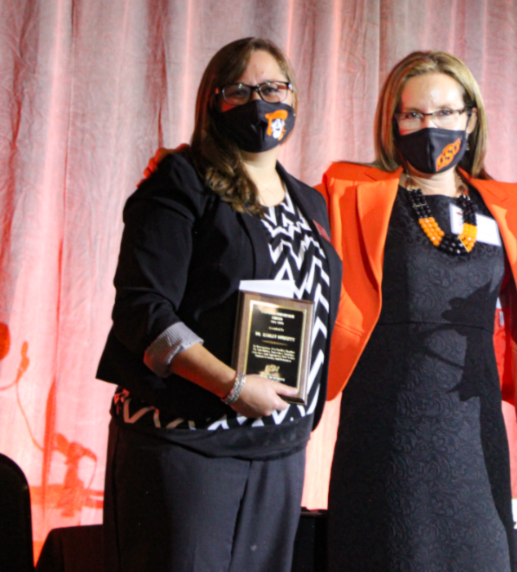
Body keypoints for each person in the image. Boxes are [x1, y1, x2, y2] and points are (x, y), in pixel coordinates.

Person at [96, 37, 341, 572]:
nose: (261, 101)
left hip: (279, 449)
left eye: (274, 86)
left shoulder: (310, 201)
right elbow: (144, 310)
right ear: (213, 103)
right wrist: (230, 385)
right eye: (241, 90)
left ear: (294, 98)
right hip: (188, 443)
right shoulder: (181, 181)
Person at [319, 51, 517, 571]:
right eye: (413, 114)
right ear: (392, 122)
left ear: (470, 117)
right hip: (388, 415)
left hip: (473, 419)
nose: (430, 126)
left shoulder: (510, 205)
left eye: (444, 113)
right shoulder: (350, 191)